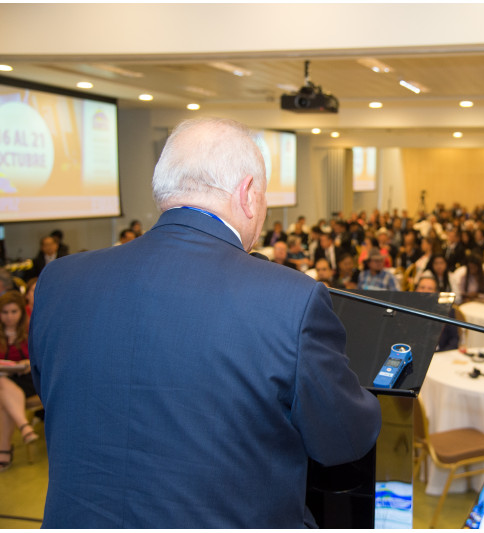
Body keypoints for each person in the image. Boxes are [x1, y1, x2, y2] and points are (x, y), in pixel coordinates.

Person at [29, 118, 381, 527]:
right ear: (248, 194)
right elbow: (341, 440)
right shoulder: (292, 299)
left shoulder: (60, 282)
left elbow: (59, 395)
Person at [0, 291, 39, 471]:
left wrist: (28, 362)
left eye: (13, 311)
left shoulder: (31, 329)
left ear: (21, 312)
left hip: (28, 378)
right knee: (2, 386)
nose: (9, 317)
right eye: (5, 312)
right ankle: (24, 426)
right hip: (6, 379)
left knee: (2, 398)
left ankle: (5, 451)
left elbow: (41, 355)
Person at [415, 276, 459, 352]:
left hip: (440, 354)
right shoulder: (406, 309)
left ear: (436, 292)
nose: (426, 291)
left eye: (430, 288)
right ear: (416, 290)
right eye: (422, 287)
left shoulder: (447, 310)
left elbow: (454, 339)